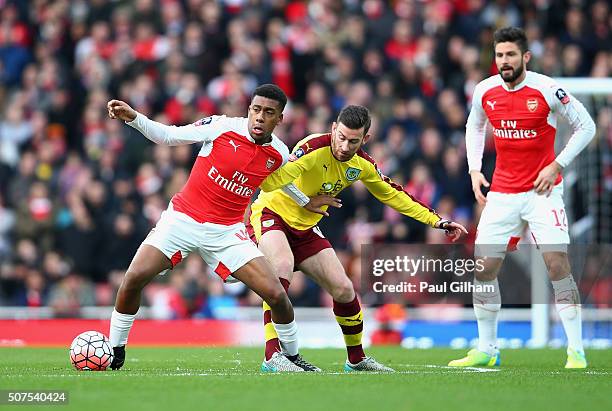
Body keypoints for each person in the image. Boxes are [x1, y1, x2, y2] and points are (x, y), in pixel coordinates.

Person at [106, 84, 320, 372]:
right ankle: (116, 350)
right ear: (249, 110)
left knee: (277, 294)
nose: (259, 117)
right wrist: (133, 117)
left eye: (268, 113)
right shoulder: (220, 127)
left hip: (226, 232)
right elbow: (168, 136)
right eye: (256, 110)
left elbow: (282, 182)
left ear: (279, 119)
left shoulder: (279, 153)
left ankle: (292, 357)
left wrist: (307, 201)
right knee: (133, 278)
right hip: (182, 219)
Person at [249, 105, 468, 372]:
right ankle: (273, 355)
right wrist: (305, 200)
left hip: (305, 227)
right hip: (273, 213)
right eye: (340, 137)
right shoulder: (312, 148)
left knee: (344, 289)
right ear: (333, 129)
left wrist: (437, 221)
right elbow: (271, 181)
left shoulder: (361, 164)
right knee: (281, 266)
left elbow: (394, 194)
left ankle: (356, 359)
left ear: (365, 139)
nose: (343, 146)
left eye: (353, 141)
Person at [449, 27, 596, 369]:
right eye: (499, 55)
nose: (504, 61)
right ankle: (487, 349)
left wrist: (556, 164)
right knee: (484, 268)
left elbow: (586, 126)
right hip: (501, 193)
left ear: (525, 57)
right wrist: (474, 169)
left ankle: (576, 350)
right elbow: (475, 126)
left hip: (542, 193)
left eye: (511, 55)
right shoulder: (484, 91)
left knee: (557, 265)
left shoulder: (546, 89)